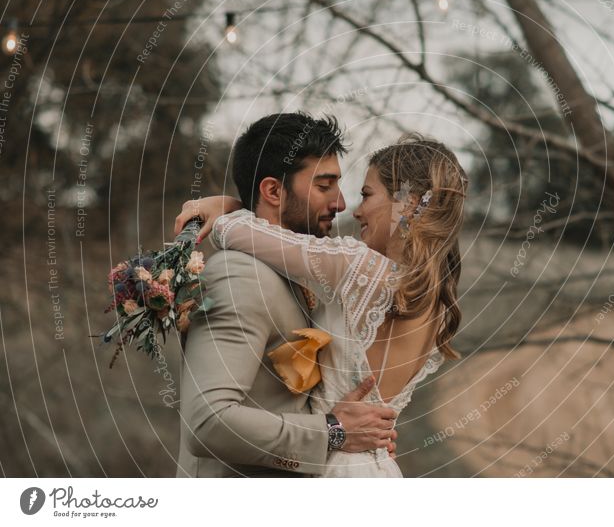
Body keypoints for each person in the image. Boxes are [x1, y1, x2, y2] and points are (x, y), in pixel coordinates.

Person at [176, 123, 469, 477]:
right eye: (325, 186)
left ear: (405, 204)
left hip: (336, 466)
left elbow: (237, 232)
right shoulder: (435, 297)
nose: (353, 209)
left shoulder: (359, 267)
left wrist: (225, 207)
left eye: (366, 194)